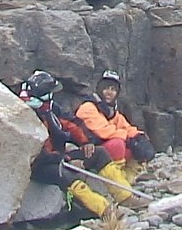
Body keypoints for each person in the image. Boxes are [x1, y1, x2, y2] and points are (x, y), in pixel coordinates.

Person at [19, 70, 136, 216]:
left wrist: (86, 142)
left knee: (98, 153)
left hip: (59, 156)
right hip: (41, 165)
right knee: (66, 174)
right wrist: (65, 159)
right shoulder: (26, 114)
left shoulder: (50, 108)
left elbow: (73, 123)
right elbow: (36, 154)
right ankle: (105, 210)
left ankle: (125, 196)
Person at [75, 70, 155, 184]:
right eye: (106, 88)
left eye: (113, 89)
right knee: (117, 144)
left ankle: (127, 177)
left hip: (101, 151)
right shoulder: (88, 107)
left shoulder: (112, 112)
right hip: (87, 152)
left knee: (137, 146)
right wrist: (128, 139)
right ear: (99, 89)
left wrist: (139, 136)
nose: (109, 92)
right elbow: (104, 131)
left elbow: (126, 127)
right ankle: (114, 181)